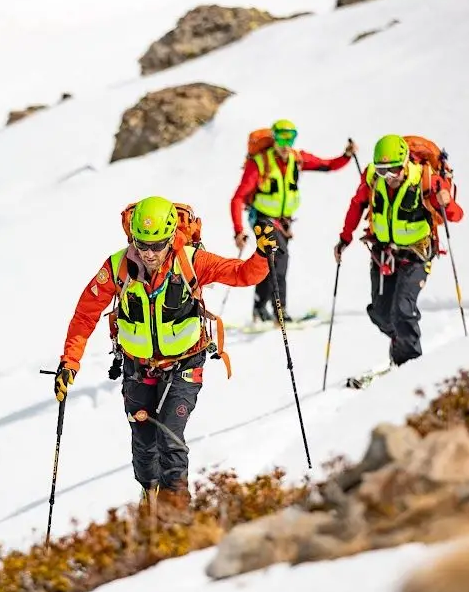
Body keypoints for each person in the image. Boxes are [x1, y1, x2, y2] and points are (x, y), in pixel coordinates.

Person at [55, 196, 274, 522]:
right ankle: (150, 499)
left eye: (157, 245)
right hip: (137, 367)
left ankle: (178, 515)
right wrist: (70, 362)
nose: (149, 253)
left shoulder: (192, 261)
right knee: (144, 445)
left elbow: (242, 274)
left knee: (170, 438)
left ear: (172, 237)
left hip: (185, 364)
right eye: (142, 244)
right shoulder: (116, 267)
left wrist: (262, 255)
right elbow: (85, 314)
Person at [334, 134, 465, 367]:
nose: (389, 177)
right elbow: (357, 205)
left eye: (393, 170)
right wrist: (345, 238)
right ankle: (400, 346)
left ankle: (410, 364)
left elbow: (456, 216)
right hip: (383, 255)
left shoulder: (426, 180)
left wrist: (446, 202)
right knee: (381, 314)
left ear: (405, 163)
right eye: (382, 170)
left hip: (417, 256)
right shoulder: (373, 179)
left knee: (403, 310)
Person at [229, 119, 355, 323]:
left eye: (290, 139)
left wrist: (347, 155)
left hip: (283, 223)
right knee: (280, 259)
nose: (286, 144)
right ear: (274, 138)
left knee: (268, 262)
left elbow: (328, 165)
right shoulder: (260, 163)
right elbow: (238, 198)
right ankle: (281, 312)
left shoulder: (297, 159)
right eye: (281, 139)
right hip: (262, 219)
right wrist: (238, 230)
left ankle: (259, 309)